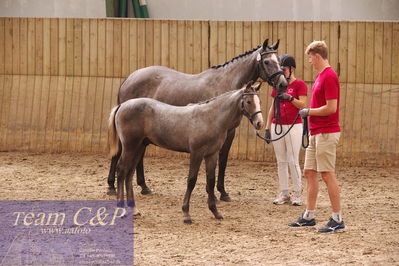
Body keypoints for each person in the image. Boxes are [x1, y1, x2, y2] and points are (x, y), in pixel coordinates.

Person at [288, 40, 345, 233]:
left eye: (310, 57)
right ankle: (309, 216)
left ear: (318, 56)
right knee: (309, 172)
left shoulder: (329, 77)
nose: (309, 61)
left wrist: (308, 111)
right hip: (316, 131)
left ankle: (337, 219)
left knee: (327, 174)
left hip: (326, 132)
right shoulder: (321, 76)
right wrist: (309, 114)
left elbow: (331, 108)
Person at [265, 54, 308, 206]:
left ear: (291, 69)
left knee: (292, 160)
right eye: (281, 70)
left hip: (293, 125)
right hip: (278, 124)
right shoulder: (277, 85)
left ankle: (297, 194)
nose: (282, 72)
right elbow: (272, 107)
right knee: (281, 161)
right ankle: (284, 193)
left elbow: (303, 105)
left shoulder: (300, 85)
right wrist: (267, 127)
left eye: (284, 69)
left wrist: (290, 99)